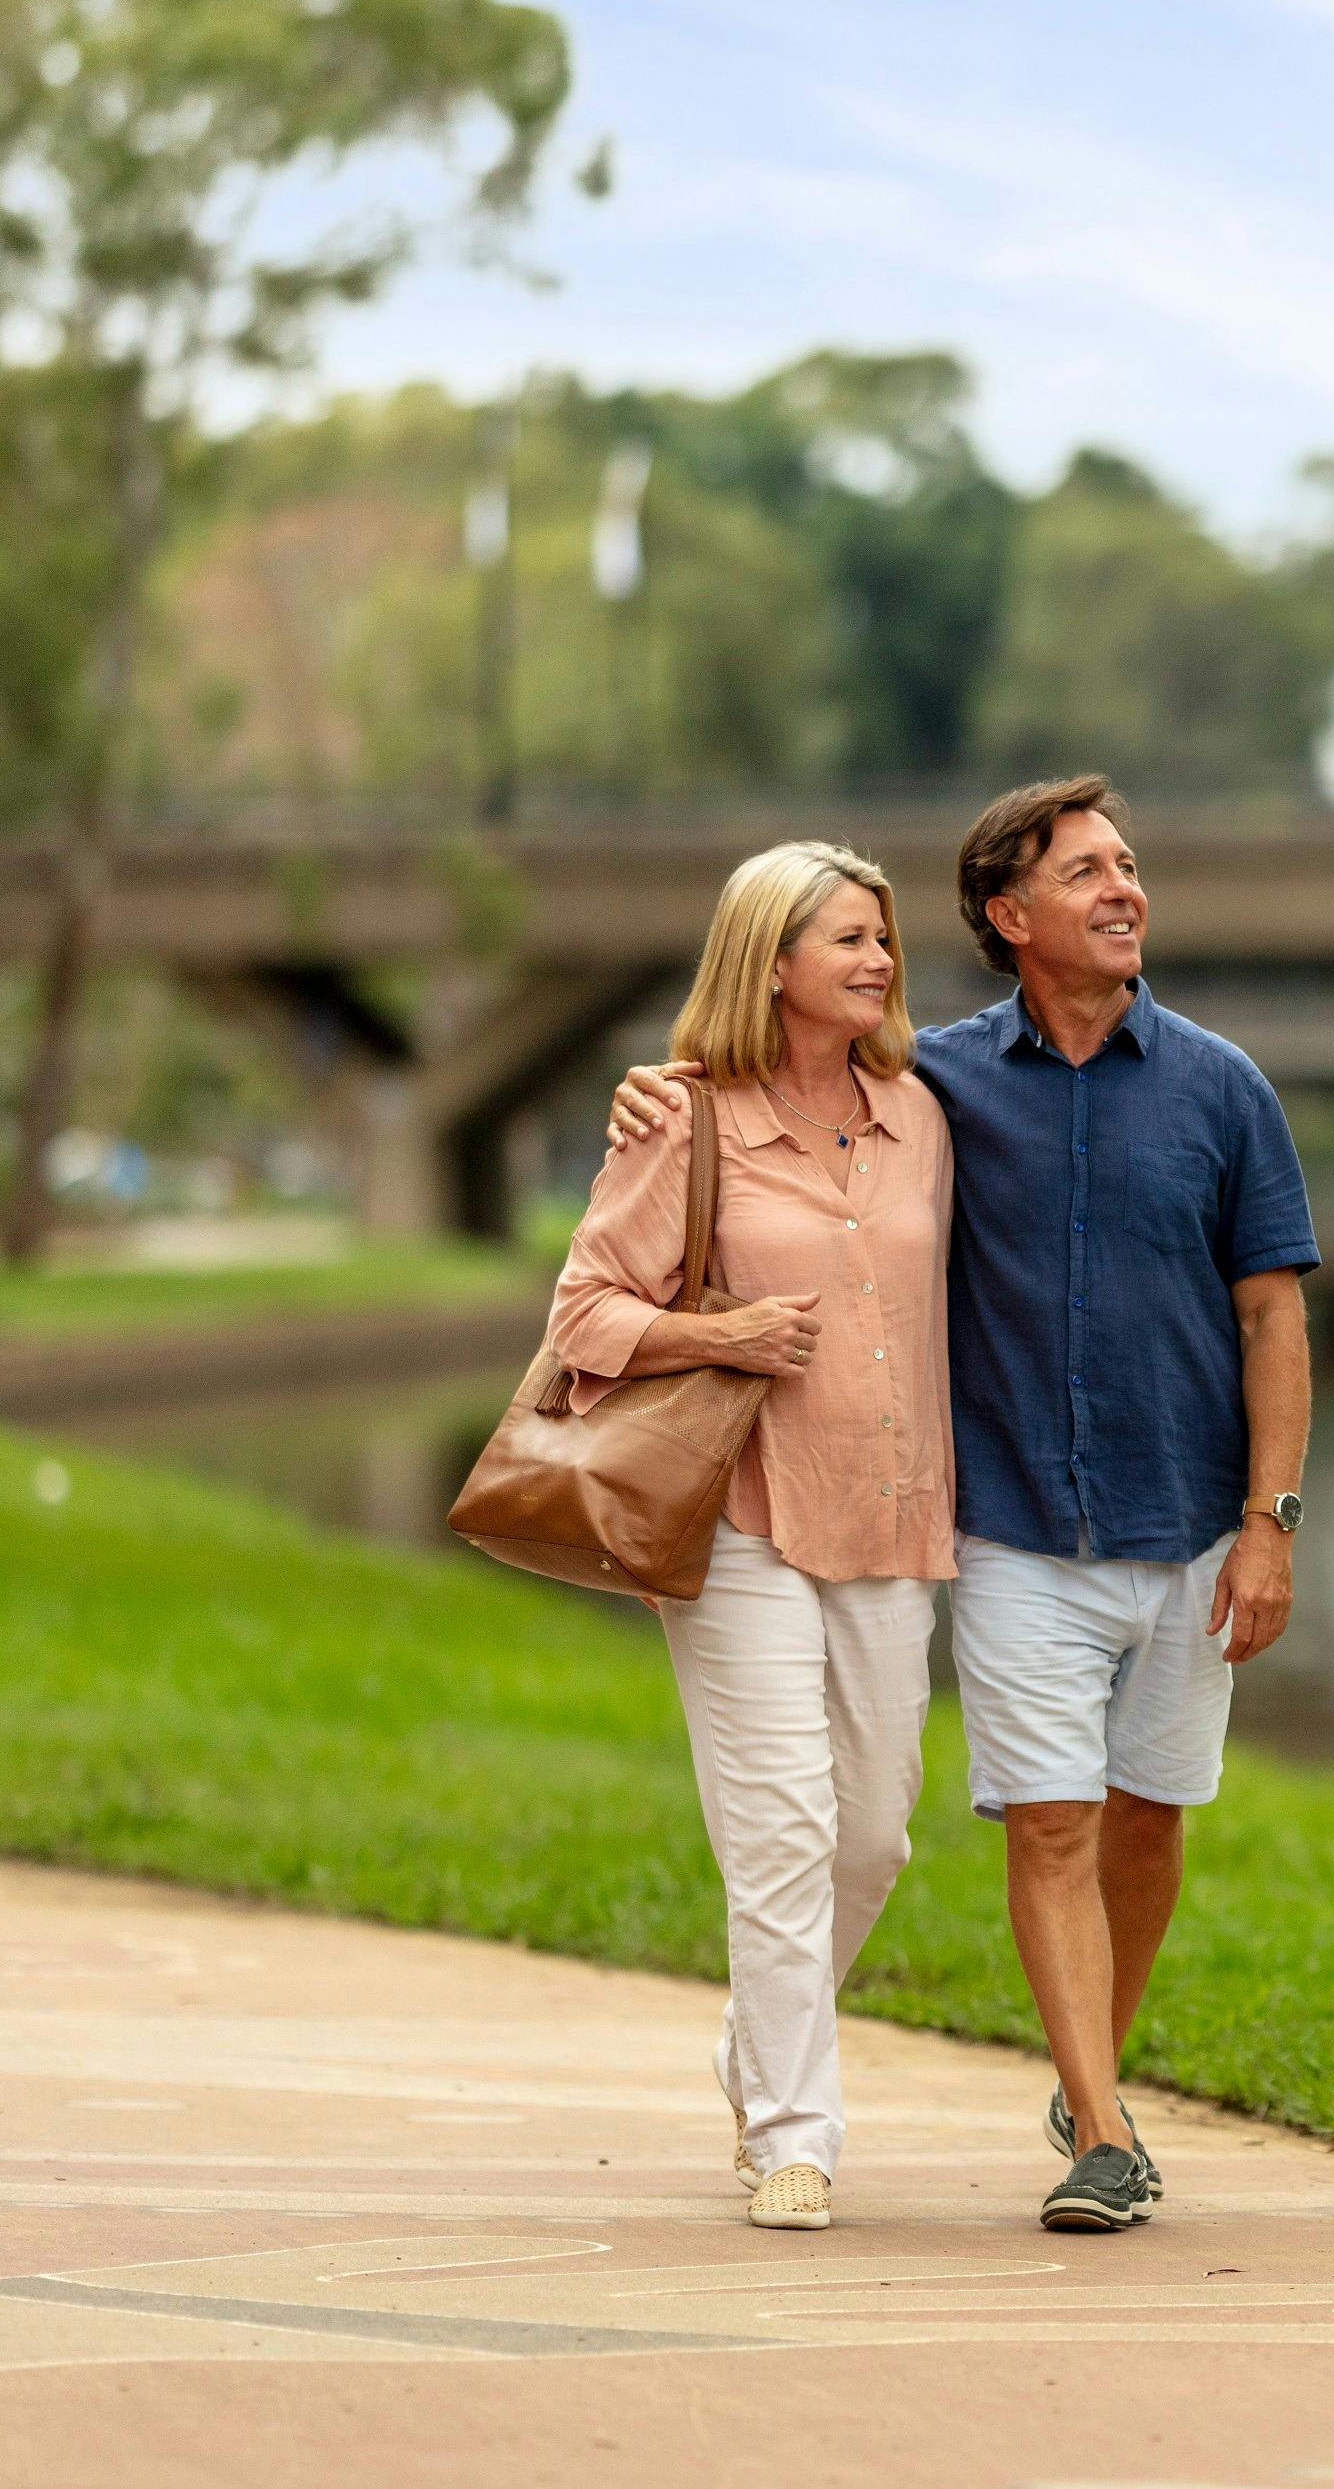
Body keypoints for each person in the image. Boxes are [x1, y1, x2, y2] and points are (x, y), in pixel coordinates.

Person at [611, 777, 1315, 2237]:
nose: (1126, 889)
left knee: (1065, 1825)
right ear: (1011, 917)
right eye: (1088, 872)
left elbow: (1272, 1319)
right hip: (969, 1529)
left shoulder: (1173, 1091)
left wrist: (1271, 1519)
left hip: (1114, 1521)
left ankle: (1034, 2071)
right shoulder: (924, 1086)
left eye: (1132, 864)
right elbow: (740, 1122)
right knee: (993, 1827)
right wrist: (654, 1100)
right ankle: (1019, 2131)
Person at [548, 841, 954, 2236]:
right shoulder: (685, 1122)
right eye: (848, 939)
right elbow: (582, 1313)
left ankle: (751, 2046)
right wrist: (716, 1333)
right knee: (781, 1833)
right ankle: (792, 2132)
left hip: (892, 1508)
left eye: (884, 939)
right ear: (768, 960)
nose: (879, 961)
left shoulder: (919, 1114)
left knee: (876, 1838)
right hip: (739, 1518)